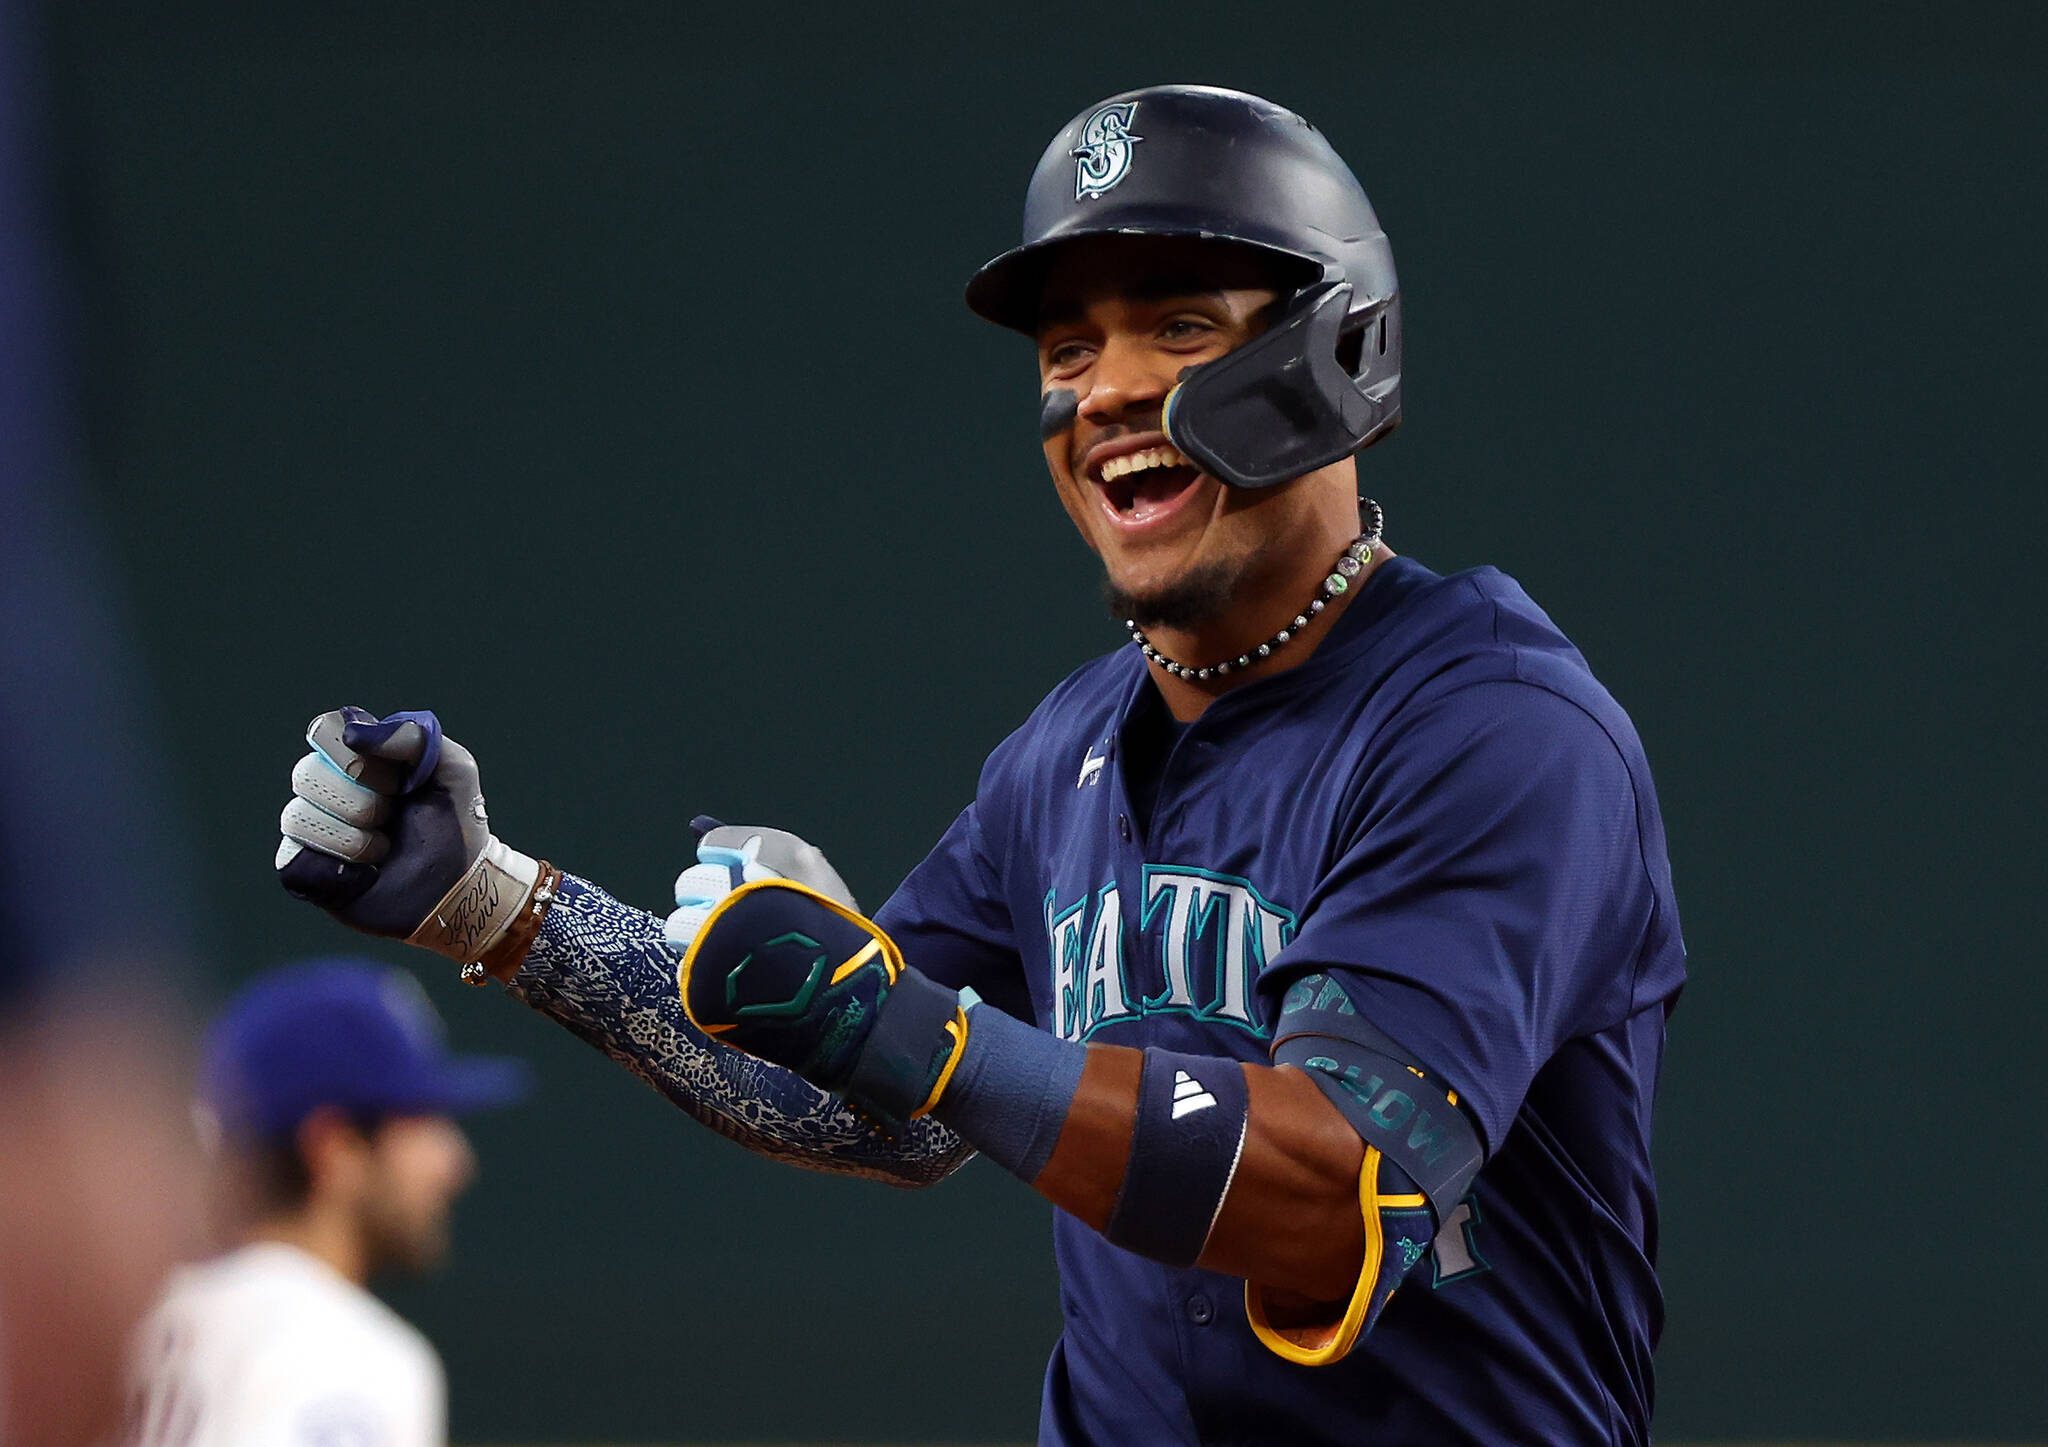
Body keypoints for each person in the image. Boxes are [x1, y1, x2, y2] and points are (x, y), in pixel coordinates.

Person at [273, 85, 1686, 1446]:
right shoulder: (1063, 751)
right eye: (1067, 353)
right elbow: (864, 1097)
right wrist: (499, 903)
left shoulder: (1491, 727)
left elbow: (1342, 1185)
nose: (1112, 389)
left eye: (1181, 326)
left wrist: (914, 1027)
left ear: (1339, 351)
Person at [126, 959, 528, 1447]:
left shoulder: (134, 1327)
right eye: (423, 1123)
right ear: (334, 1148)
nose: (455, 1162)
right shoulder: (344, 1352)